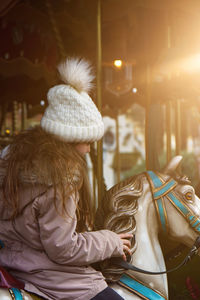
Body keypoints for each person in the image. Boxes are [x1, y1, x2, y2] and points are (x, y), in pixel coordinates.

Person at [0, 57, 132, 300]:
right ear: (69, 139)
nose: (89, 150)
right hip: (46, 273)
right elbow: (64, 248)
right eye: (87, 142)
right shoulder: (59, 178)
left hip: (12, 262)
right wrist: (110, 240)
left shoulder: (12, 162)